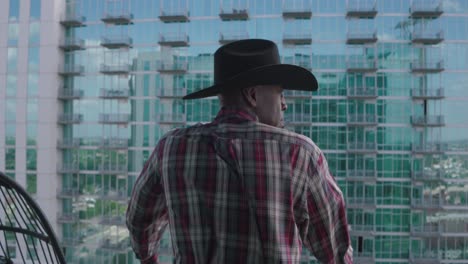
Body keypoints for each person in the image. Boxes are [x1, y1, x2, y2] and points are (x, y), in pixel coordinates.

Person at [126, 39, 353, 263]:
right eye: (280, 93)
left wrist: (149, 258)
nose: (284, 104)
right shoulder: (300, 154)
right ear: (253, 95)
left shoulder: (171, 148)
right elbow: (335, 249)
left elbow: (139, 220)